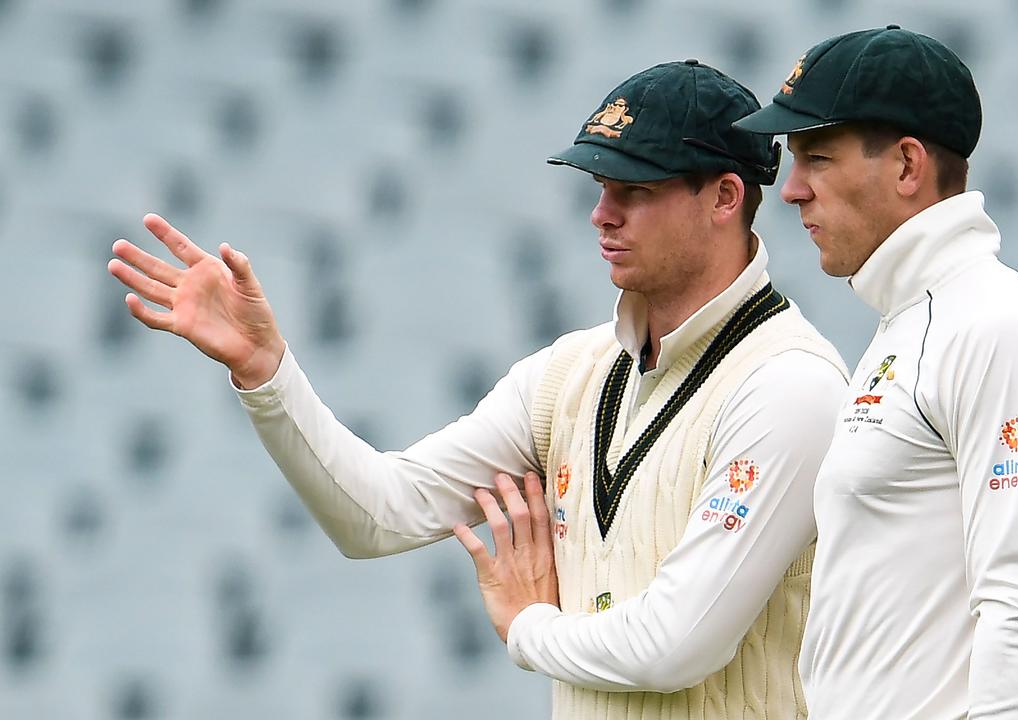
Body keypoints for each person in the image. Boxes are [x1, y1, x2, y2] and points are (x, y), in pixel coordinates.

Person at [107, 59, 848, 719]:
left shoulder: (789, 386)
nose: (601, 214)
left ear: (724, 197)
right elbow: (377, 515)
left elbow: (676, 645)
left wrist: (527, 626)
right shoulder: (569, 374)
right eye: (599, 186)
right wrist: (266, 371)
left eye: (635, 188)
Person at [733, 26, 1018, 719]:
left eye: (817, 157)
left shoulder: (1000, 329)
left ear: (906, 167)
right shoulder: (912, 322)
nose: (791, 191)